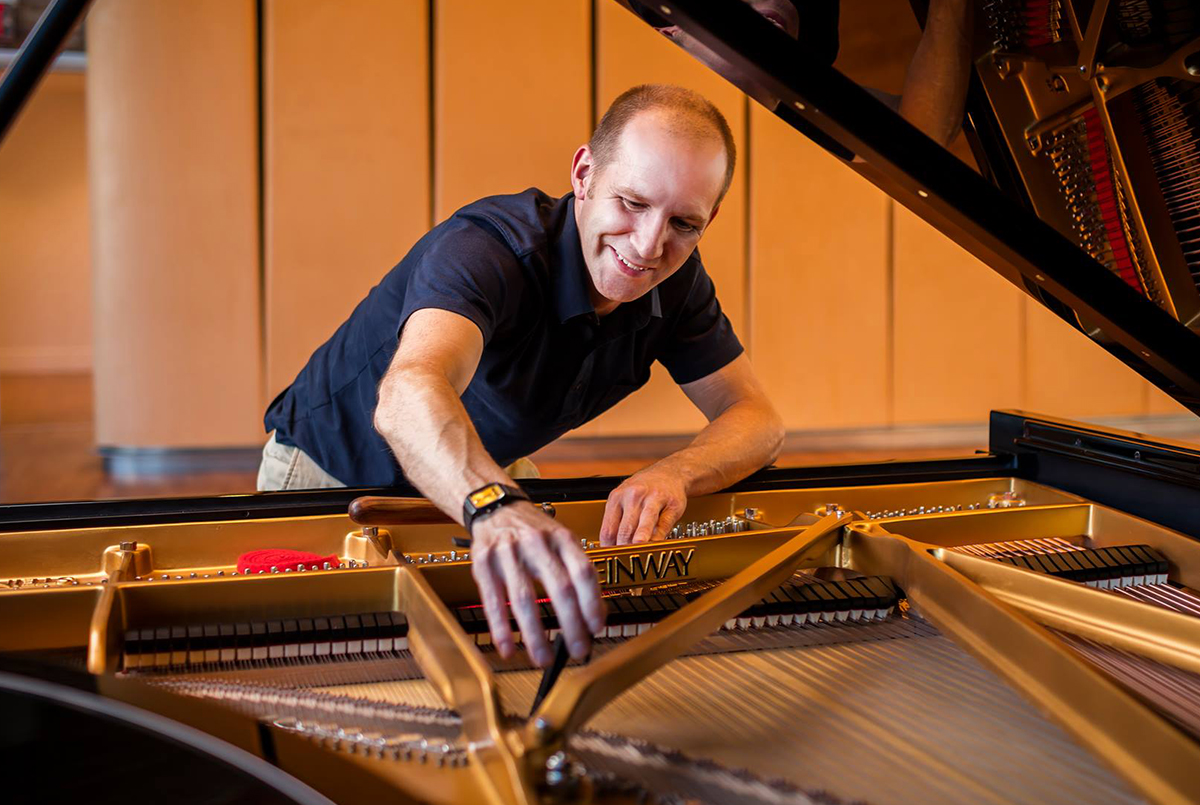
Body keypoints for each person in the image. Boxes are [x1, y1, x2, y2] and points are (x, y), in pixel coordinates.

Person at [259, 84, 785, 668]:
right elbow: (408, 394)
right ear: (584, 173)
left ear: (709, 218)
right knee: (332, 668)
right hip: (332, 477)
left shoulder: (677, 281)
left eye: (684, 223)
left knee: (482, 663)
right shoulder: (487, 250)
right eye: (632, 203)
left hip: (480, 478)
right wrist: (491, 502)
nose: (648, 246)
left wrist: (676, 473)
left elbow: (757, 419)